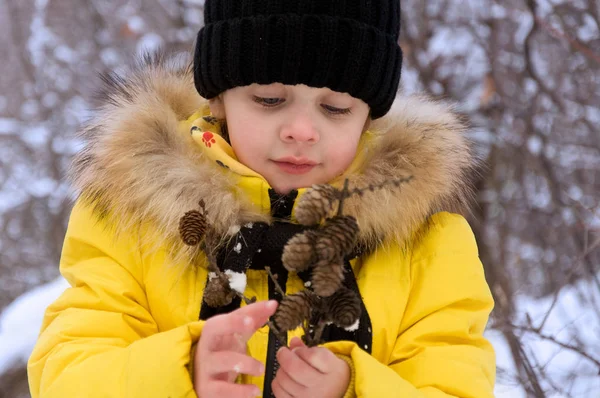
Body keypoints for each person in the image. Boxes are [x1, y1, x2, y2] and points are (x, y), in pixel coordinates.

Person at [28, 1, 496, 397]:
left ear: (369, 117)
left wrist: (356, 386)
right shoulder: (132, 220)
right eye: (270, 100)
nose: (302, 130)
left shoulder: (426, 245)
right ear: (217, 100)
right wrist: (180, 369)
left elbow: (455, 381)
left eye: (335, 109)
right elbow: (66, 372)